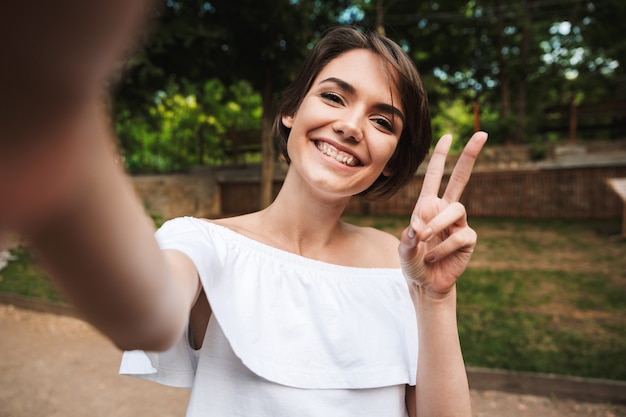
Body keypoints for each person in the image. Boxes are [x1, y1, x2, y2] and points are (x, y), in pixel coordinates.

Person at [2, 21, 486, 417]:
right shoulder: (203, 243)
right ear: (290, 113)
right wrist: (57, 119)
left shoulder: (405, 269)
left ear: (393, 157)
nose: (351, 126)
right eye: (335, 97)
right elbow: (144, 315)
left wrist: (436, 298)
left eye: (383, 121)